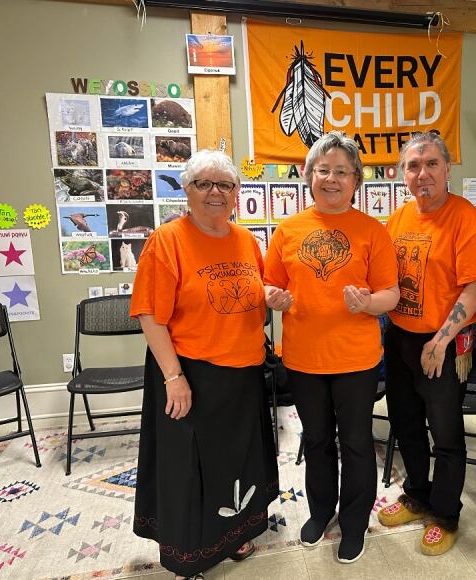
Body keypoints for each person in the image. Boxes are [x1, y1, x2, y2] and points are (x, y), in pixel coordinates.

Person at [130, 150, 278, 580]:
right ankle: (189, 553)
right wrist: (173, 377)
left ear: (236, 193)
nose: (216, 192)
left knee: (238, 459)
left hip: (243, 372)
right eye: (204, 184)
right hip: (190, 372)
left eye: (225, 185)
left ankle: (235, 534)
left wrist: (271, 298)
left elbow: (257, 294)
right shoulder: (167, 240)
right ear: (187, 190)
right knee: (190, 467)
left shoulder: (247, 240)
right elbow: (149, 315)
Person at [264, 132, 400, 564]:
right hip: (303, 359)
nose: (332, 178)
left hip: (356, 359)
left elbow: (391, 294)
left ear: (356, 180)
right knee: (318, 439)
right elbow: (272, 283)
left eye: (342, 171)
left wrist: (368, 303)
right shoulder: (288, 230)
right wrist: (274, 297)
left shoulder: (372, 231)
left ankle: (355, 521)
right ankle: (321, 511)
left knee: (357, 442)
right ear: (308, 176)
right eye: (323, 170)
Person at [378, 132, 476, 556]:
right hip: (400, 337)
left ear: (447, 169)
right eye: (412, 165)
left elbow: (475, 288)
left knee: (444, 433)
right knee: (406, 424)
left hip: (444, 343)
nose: (421, 173)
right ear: (401, 173)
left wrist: (440, 340)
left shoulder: (465, 218)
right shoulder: (399, 218)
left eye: (430, 164)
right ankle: (417, 494)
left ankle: (445, 514)